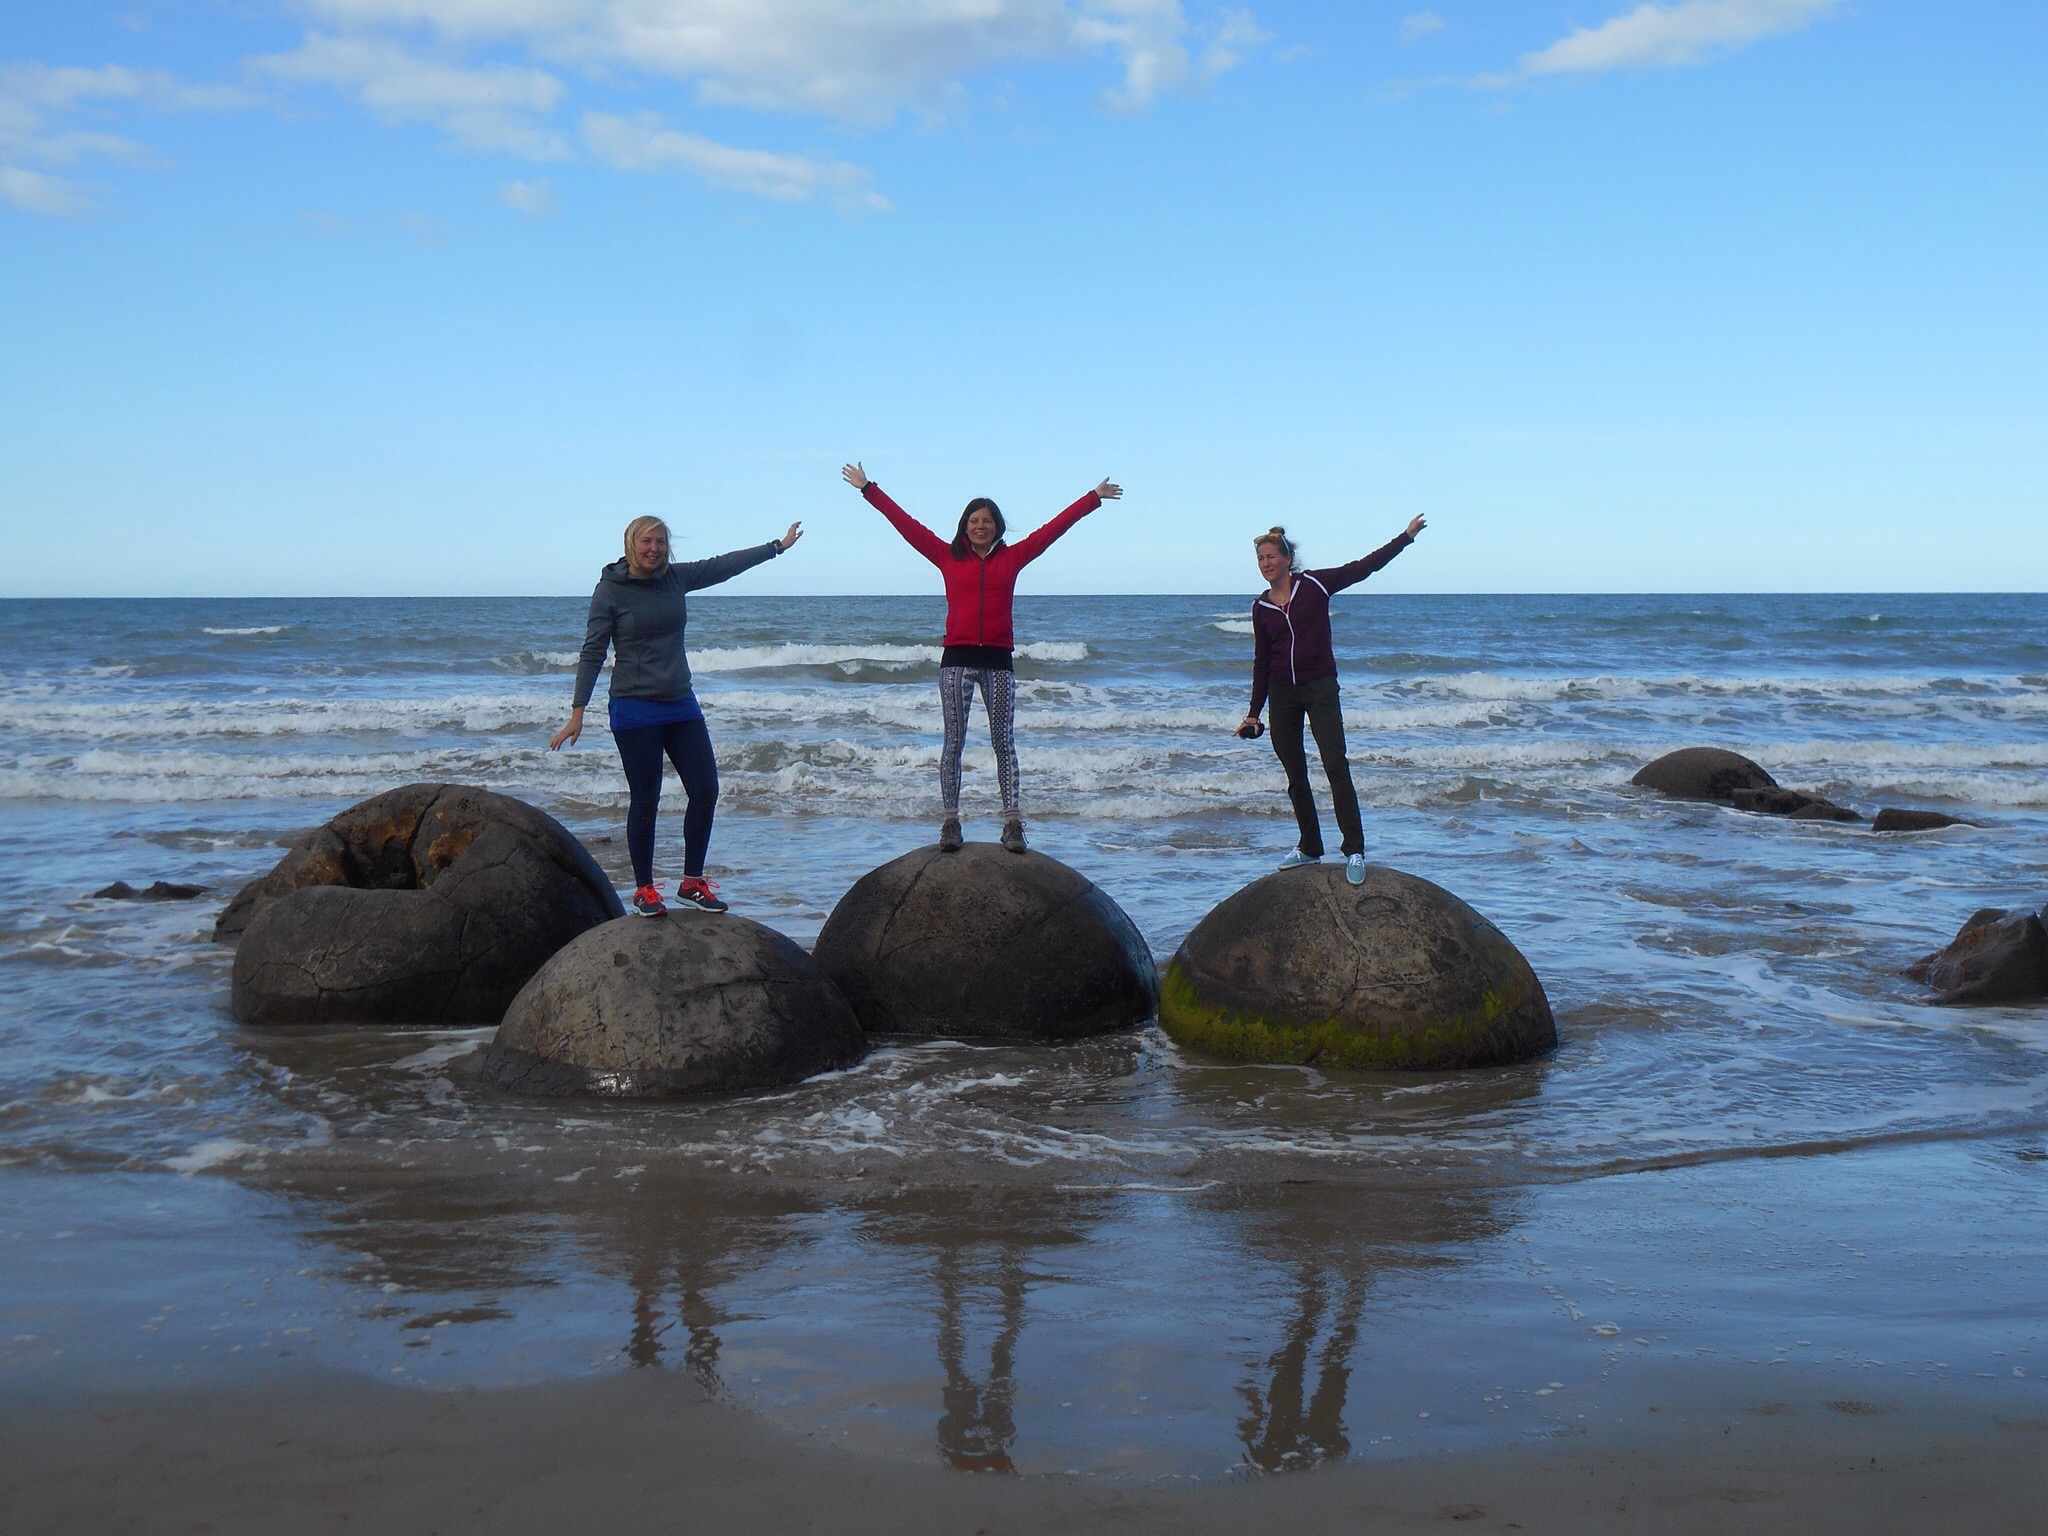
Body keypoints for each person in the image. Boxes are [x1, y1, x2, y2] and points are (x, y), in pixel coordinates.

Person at [841, 461, 1120, 854]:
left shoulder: (1013, 557)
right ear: (964, 525)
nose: (980, 526)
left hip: (998, 663)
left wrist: (1092, 498)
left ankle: (1012, 825)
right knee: (953, 743)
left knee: (1003, 743)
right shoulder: (946, 555)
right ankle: (950, 823)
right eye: (974, 520)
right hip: (956, 661)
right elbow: (906, 524)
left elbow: (1053, 529)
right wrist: (868, 488)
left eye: (987, 520)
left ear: (997, 526)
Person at [550, 514, 802, 916]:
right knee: (645, 799)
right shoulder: (610, 590)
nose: (654, 549)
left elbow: (723, 566)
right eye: (647, 542)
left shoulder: (675, 578)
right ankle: (644, 890)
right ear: (631, 544)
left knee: (705, 790)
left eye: (661, 542)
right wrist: (577, 712)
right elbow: (593, 651)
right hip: (634, 707)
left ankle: (691, 884)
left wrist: (775, 548)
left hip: (681, 703)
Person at [1237, 516, 1426, 885]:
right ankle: (1309, 846)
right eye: (1260, 559)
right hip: (1282, 694)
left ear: (1287, 559)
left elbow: (1364, 567)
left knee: (1335, 765)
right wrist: (1253, 713)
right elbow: (1262, 660)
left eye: (1271, 556)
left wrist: (1405, 537)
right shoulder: (1261, 608)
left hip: (1320, 687)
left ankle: (1354, 849)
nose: (1265, 563)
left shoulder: (1316, 585)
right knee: (1295, 775)